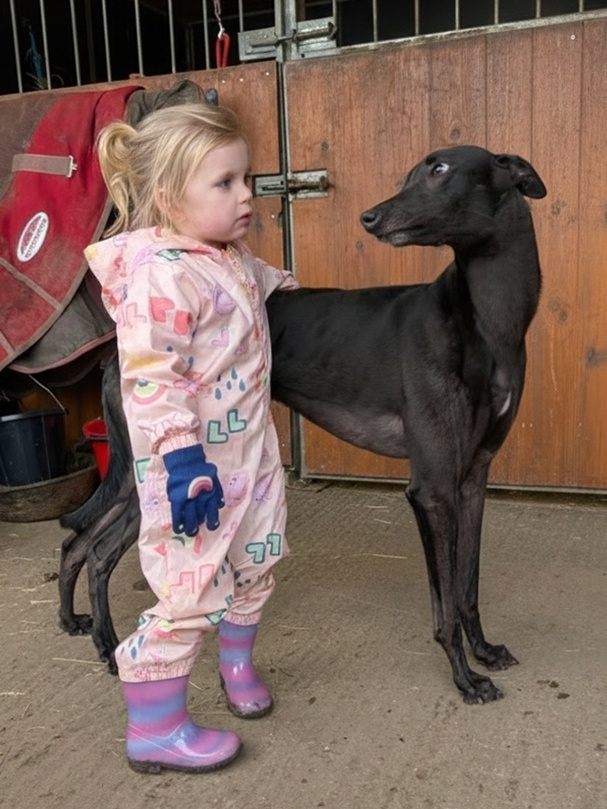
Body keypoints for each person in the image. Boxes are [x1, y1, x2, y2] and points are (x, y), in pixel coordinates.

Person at [84, 100, 299, 774]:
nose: (246, 195)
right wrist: (178, 456)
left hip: (253, 458)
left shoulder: (228, 258)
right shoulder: (159, 275)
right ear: (171, 198)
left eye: (246, 178)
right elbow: (151, 375)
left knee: (258, 560)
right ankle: (155, 726)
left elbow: (266, 289)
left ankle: (236, 666)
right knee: (188, 591)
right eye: (225, 183)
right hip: (194, 468)